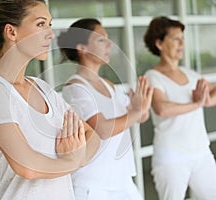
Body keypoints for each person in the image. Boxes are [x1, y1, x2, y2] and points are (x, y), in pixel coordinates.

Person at [0, 1, 100, 200]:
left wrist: (74, 158)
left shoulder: (42, 88)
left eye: (50, 24)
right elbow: (27, 167)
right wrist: (72, 160)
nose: (50, 33)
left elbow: (92, 134)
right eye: (41, 24)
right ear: (11, 32)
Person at [58, 18, 153, 200]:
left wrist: (142, 108)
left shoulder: (109, 85)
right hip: (92, 186)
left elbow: (138, 117)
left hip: (122, 181)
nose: (109, 44)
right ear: (82, 48)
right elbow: (103, 129)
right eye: (101, 39)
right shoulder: (75, 87)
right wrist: (137, 111)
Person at [144, 16, 216, 200]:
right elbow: (162, 108)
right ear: (159, 43)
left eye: (182, 38)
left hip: (201, 152)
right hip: (172, 156)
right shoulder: (153, 76)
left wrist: (206, 99)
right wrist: (196, 104)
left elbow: (211, 93)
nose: (182, 43)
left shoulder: (190, 74)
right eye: (176, 38)